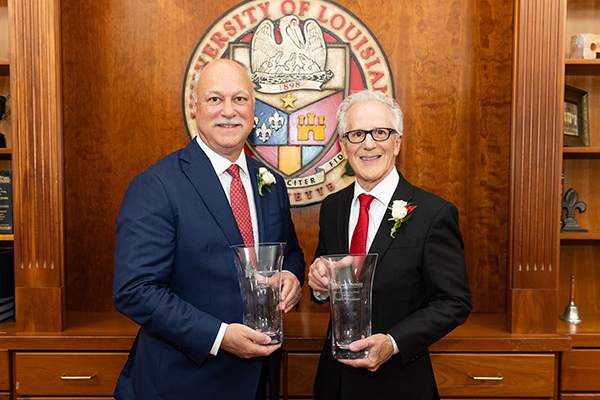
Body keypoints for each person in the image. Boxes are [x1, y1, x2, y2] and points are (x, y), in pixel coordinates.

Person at [113, 59, 305, 400]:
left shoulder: (271, 183)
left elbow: (289, 252)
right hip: (183, 383)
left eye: (240, 99)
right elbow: (135, 290)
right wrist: (219, 336)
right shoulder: (156, 186)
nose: (228, 111)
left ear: (254, 108)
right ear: (196, 108)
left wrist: (291, 276)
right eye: (215, 99)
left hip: (260, 380)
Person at [308, 90, 471, 399]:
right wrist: (318, 284)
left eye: (380, 132)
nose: (368, 144)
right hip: (335, 384)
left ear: (397, 142)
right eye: (356, 134)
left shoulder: (433, 213)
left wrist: (392, 342)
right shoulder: (332, 208)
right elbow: (325, 284)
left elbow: (453, 303)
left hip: (399, 384)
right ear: (343, 146)